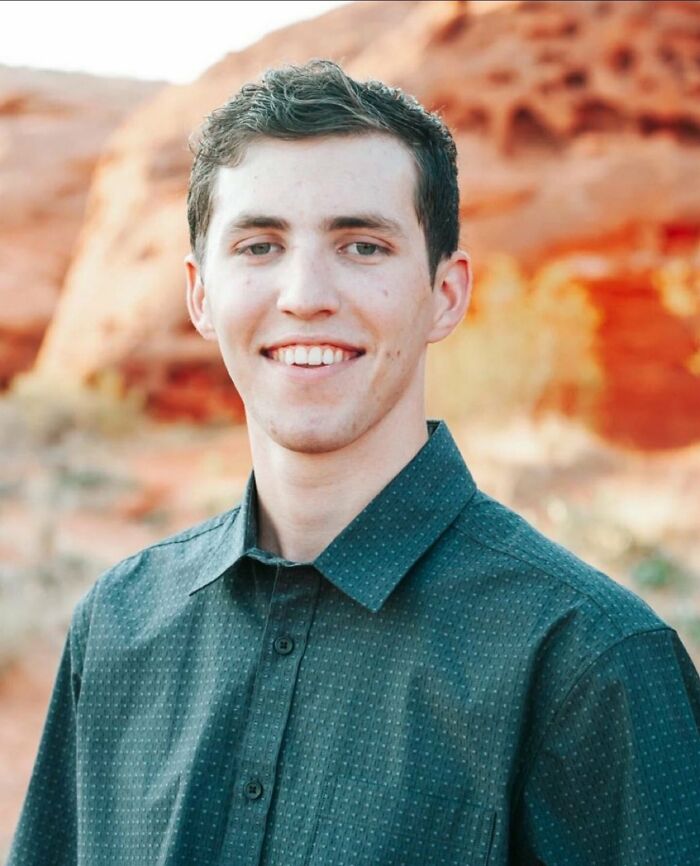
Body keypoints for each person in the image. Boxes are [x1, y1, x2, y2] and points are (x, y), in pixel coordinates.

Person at [9, 60, 700, 866]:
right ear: (200, 294)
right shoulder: (120, 625)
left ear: (446, 293)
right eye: (260, 244)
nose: (305, 293)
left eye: (362, 245)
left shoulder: (591, 664)